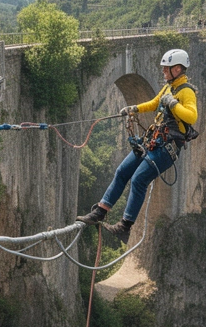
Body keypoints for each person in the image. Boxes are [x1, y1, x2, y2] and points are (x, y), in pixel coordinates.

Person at [77, 49, 198, 244]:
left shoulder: (186, 92)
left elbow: (192, 116)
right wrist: (134, 108)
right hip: (154, 140)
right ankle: (100, 211)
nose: (163, 72)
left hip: (167, 149)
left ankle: (125, 226)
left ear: (177, 69)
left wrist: (173, 104)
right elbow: (154, 103)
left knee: (139, 179)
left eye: (166, 69)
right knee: (122, 171)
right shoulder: (168, 88)